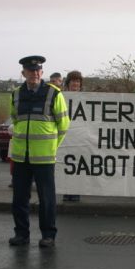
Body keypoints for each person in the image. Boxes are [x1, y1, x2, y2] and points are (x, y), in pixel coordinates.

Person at [9, 55, 70, 248]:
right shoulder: (16, 94)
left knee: (47, 199)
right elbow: (15, 120)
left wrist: (52, 146)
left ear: (42, 73)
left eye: (37, 70)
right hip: (21, 156)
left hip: (44, 158)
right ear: (23, 73)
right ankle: (21, 234)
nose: (34, 73)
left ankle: (48, 235)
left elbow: (64, 125)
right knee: (19, 198)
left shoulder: (53, 93)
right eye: (30, 70)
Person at [62, 70, 83, 202]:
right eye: (73, 81)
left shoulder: (86, 98)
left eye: (78, 81)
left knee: (78, 166)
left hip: (80, 138)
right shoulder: (61, 97)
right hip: (65, 138)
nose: (75, 83)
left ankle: (75, 191)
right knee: (65, 165)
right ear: (68, 83)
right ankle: (65, 191)